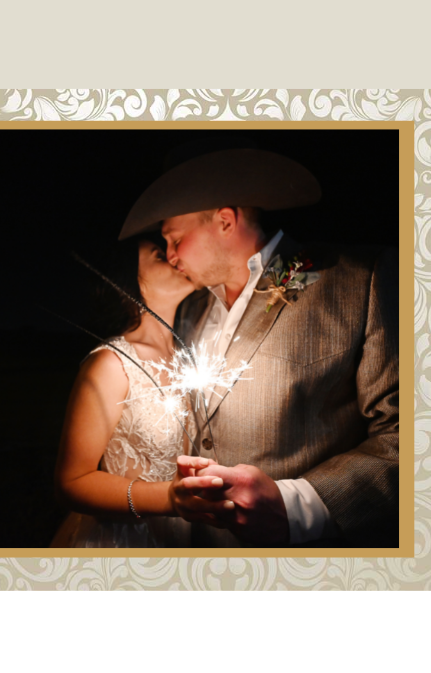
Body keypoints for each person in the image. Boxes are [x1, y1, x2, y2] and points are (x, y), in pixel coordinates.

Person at [118, 147, 398, 548]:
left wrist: (296, 506)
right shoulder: (189, 309)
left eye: (176, 239)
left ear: (225, 221)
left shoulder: (358, 280)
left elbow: (413, 436)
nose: (172, 255)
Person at [49, 232, 206, 547]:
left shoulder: (189, 357)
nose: (175, 257)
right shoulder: (111, 365)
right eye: (159, 256)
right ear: (128, 282)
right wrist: (170, 500)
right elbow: (70, 483)